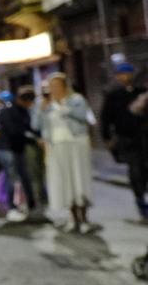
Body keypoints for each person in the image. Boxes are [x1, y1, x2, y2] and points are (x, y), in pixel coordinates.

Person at [38, 73, 97, 232]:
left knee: (79, 180)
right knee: (65, 181)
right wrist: (41, 110)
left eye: (57, 85)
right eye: (51, 86)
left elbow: (83, 116)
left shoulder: (76, 100)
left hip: (76, 143)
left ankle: (84, 218)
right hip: (57, 145)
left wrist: (64, 108)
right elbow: (38, 125)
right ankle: (72, 217)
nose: (54, 89)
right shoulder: (47, 105)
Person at [100, 61, 146, 217]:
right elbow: (105, 118)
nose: (125, 77)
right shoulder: (113, 95)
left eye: (127, 73)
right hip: (127, 138)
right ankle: (140, 200)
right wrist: (106, 137)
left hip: (145, 136)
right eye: (121, 74)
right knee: (136, 169)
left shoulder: (141, 92)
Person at [0, 88, 40, 222]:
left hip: (17, 149)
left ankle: (30, 204)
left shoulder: (23, 111)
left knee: (24, 175)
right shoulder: (8, 111)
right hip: (6, 148)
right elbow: (15, 131)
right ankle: (11, 208)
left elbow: (28, 128)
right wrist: (32, 139)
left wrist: (35, 137)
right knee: (12, 177)